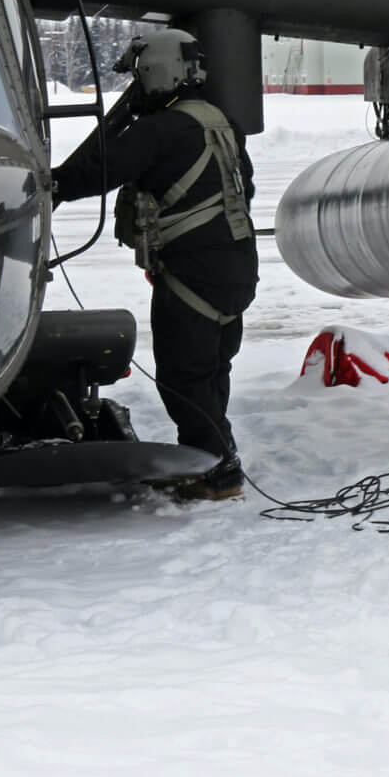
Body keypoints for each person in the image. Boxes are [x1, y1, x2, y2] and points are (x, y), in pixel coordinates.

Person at [50, 29, 258, 500]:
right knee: (211, 370)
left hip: (193, 275)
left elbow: (100, 169)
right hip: (237, 269)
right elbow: (244, 188)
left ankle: (215, 470)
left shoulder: (159, 130)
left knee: (183, 377)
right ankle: (215, 459)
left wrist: (53, 184)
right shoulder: (220, 122)